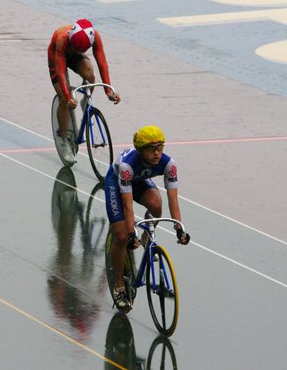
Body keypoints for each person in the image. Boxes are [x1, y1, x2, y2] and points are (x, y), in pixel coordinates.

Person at [104, 126, 190, 313]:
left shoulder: (169, 164)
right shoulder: (127, 165)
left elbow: (173, 200)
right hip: (116, 182)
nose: (157, 153)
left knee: (156, 205)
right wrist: (129, 233)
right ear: (140, 150)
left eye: (160, 147)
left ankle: (145, 239)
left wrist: (179, 228)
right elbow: (128, 206)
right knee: (121, 237)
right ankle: (119, 286)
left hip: (138, 179)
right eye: (152, 149)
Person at [48, 19, 121, 161]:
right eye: (77, 49)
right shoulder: (62, 39)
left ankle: (84, 102)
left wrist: (108, 91)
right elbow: (61, 71)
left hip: (74, 56)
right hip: (57, 54)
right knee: (63, 97)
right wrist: (68, 97)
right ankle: (64, 141)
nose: (79, 51)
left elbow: (102, 64)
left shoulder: (95, 37)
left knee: (90, 77)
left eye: (82, 50)